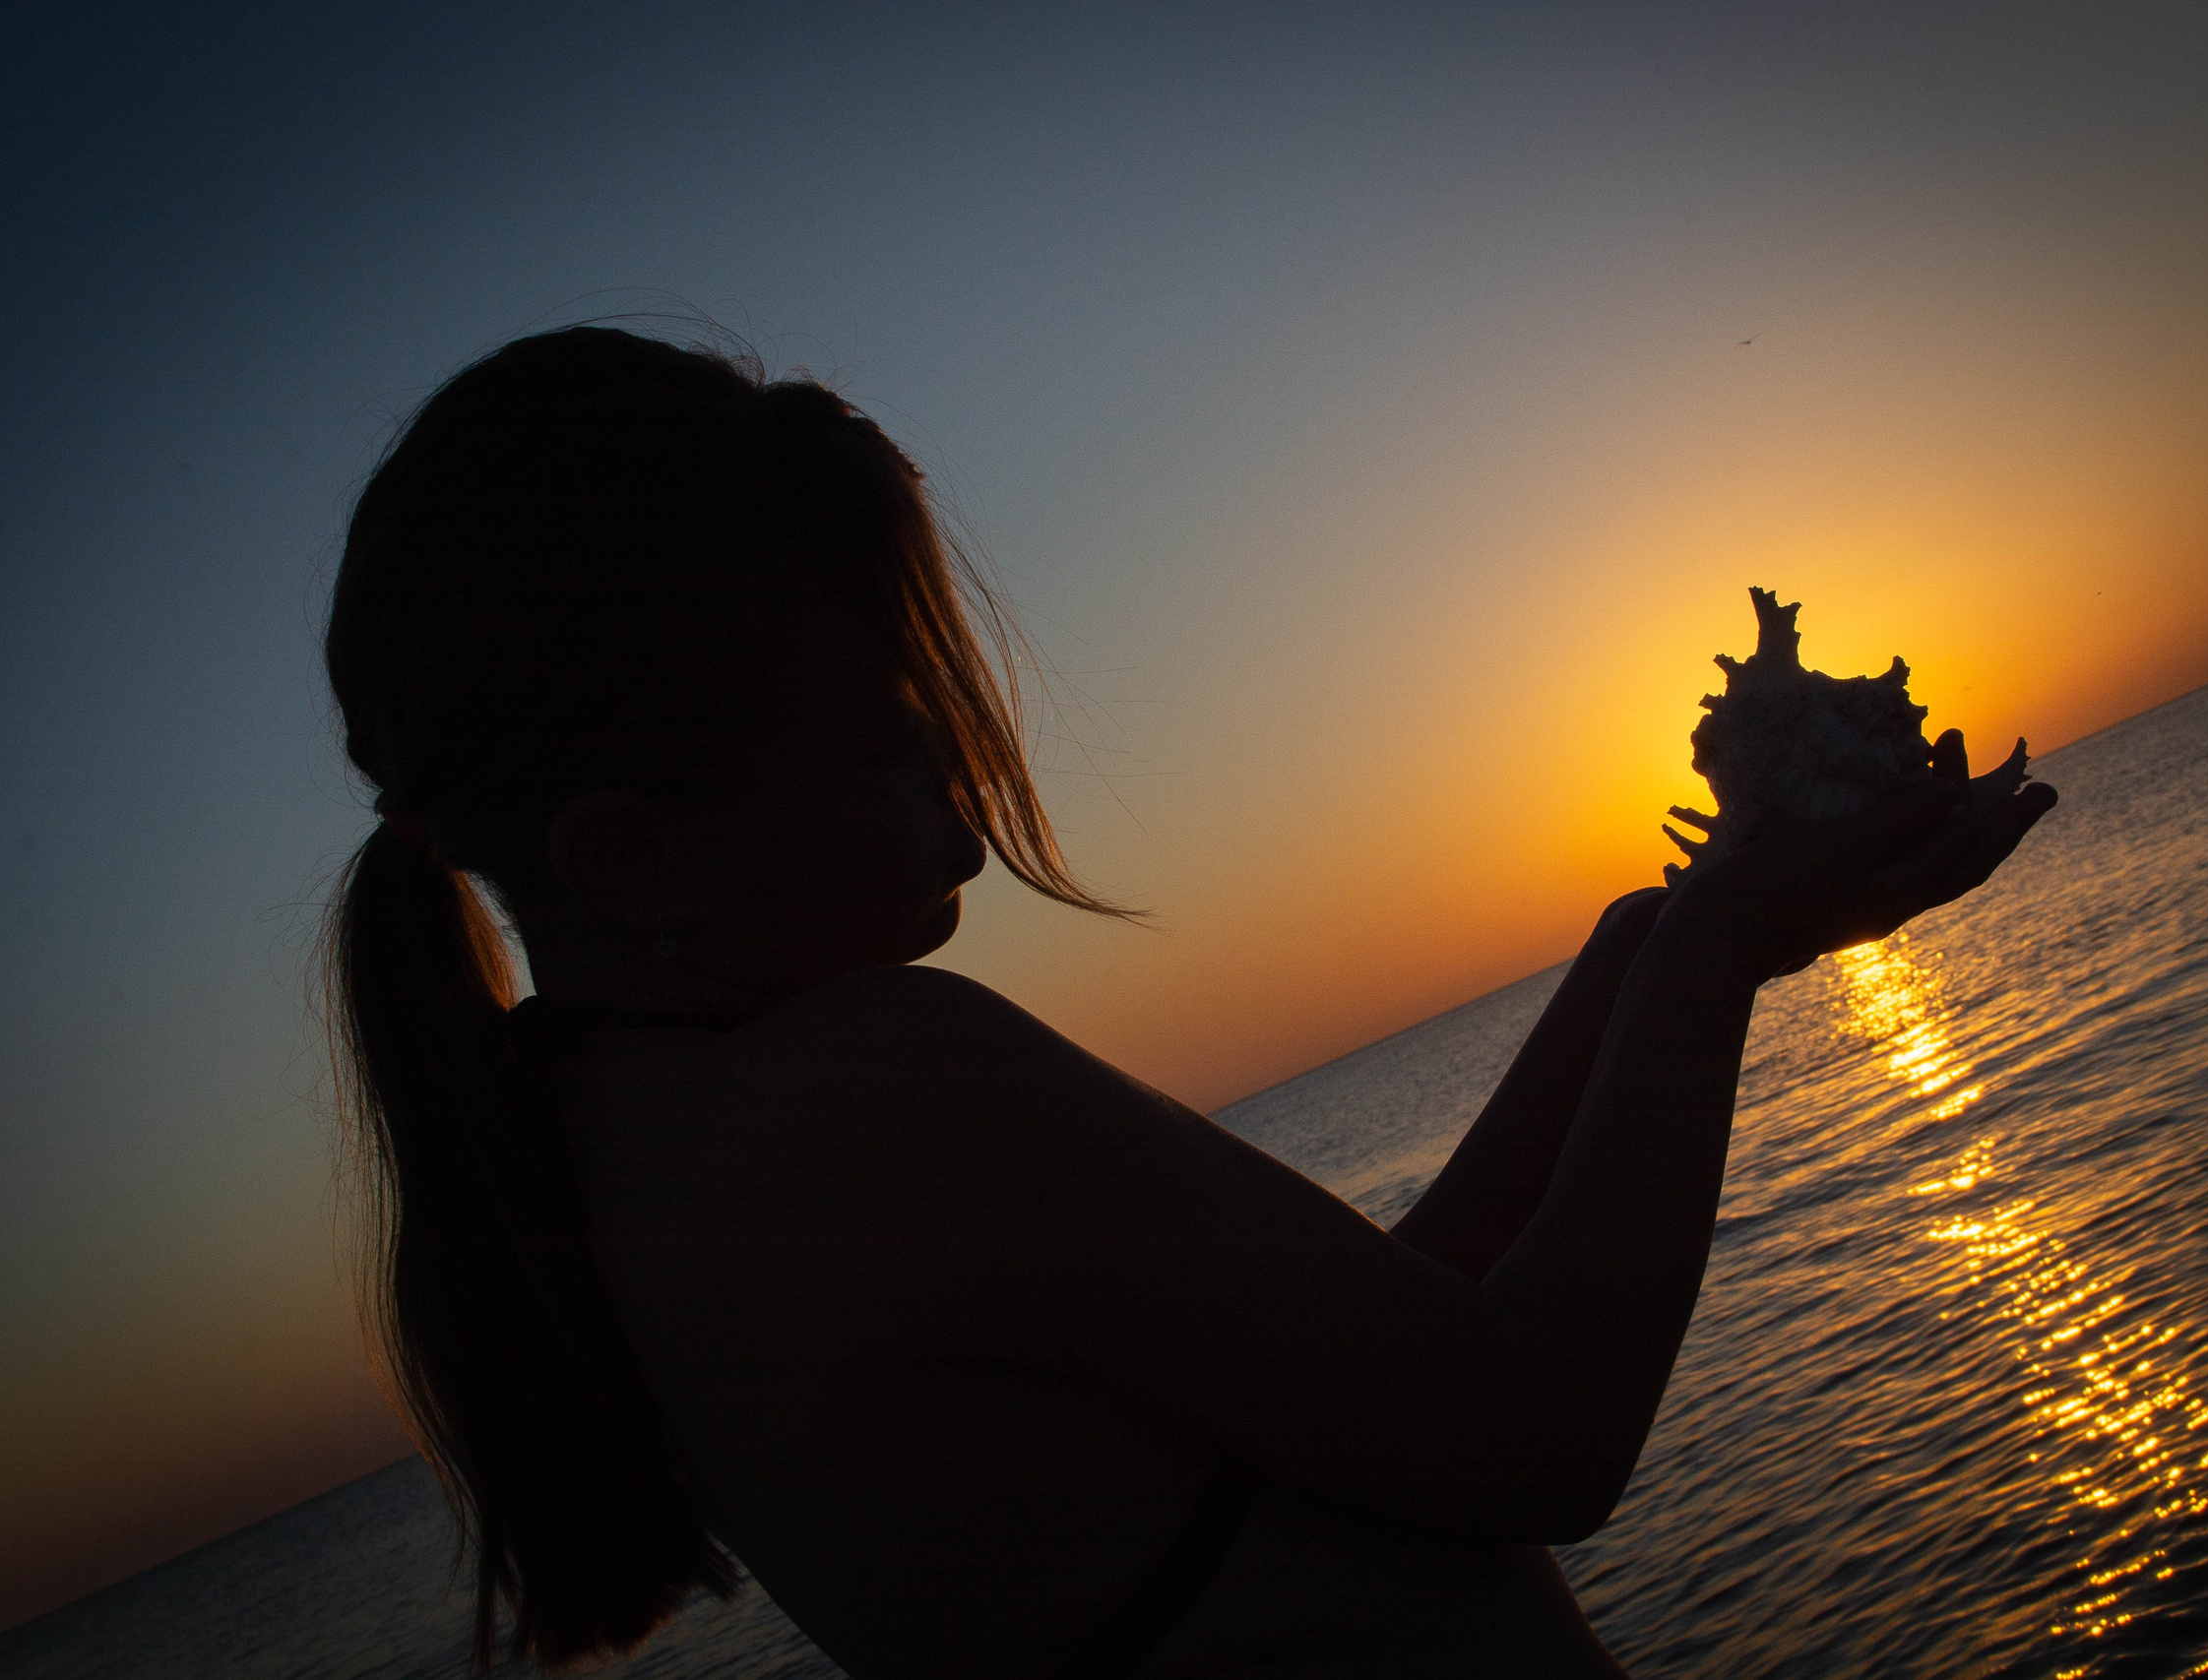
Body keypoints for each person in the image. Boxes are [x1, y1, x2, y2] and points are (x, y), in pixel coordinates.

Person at [320, 326, 2055, 1679]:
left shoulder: (628, 1149)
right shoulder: (860, 1089)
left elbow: (1387, 1357)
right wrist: (1702, 964)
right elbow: (1533, 1434)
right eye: (882, 740)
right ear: (632, 857)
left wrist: (1640, 955)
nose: (954, 773)